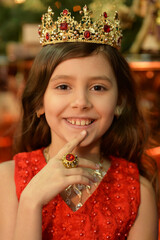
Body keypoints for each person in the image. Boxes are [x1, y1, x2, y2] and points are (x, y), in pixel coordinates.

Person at [0, 5, 158, 240]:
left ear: (119, 102)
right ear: (39, 102)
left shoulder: (138, 191)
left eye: (98, 88)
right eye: (63, 87)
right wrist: (31, 202)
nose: (81, 102)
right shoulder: (6, 179)